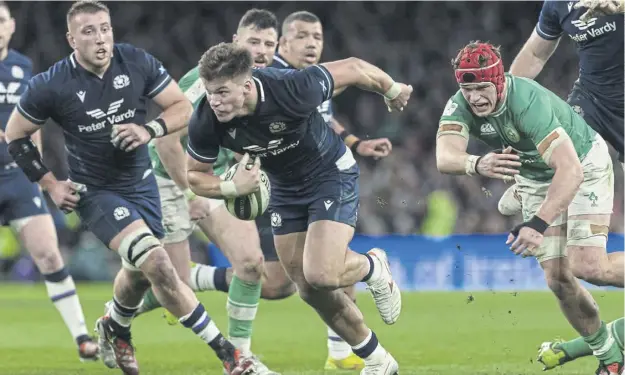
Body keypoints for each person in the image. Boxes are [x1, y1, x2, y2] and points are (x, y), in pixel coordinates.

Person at [4, 2, 254, 374]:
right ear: (72, 39)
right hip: (96, 193)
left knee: (137, 276)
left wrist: (148, 129)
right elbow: (15, 135)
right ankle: (228, 354)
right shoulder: (52, 84)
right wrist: (50, 185)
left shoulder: (135, 61)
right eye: (88, 32)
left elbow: (180, 107)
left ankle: (114, 326)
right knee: (157, 263)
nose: (100, 38)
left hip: (141, 186)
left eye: (105, 28)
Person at [187, 42, 411, 375]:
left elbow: (351, 67)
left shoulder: (290, 87)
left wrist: (391, 89)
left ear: (247, 85)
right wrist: (232, 188)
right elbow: (194, 175)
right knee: (308, 288)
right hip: (283, 189)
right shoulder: (207, 117)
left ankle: (372, 266)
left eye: (222, 92)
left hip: (329, 173)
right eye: (209, 91)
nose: (214, 100)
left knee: (322, 273)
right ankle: (378, 360)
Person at [435, 40, 623, 375]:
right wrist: (476, 164)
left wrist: (536, 225)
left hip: (583, 163)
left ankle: (521, 198)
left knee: (588, 265)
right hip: (535, 177)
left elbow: (571, 171)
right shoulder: (459, 105)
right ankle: (610, 358)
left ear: (498, 81)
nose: (475, 97)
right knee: (558, 280)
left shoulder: (526, 102)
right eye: (467, 89)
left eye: (481, 88)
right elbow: (445, 156)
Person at [133, 8, 282, 374]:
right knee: (172, 284)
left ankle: (240, 358)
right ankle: (117, 316)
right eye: (253, 42)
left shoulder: (267, 80)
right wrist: (190, 194)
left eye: (268, 44)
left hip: (214, 177)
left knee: (250, 264)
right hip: (167, 178)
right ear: (236, 43)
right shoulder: (206, 83)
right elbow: (167, 141)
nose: (261, 51)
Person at [0, 1, 99, 362]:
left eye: (2, 20)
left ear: (11, 26)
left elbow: (33, 123)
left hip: (16, 178)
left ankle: (82, 337)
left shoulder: (23, 67)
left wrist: (39, 174)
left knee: (48, 253)